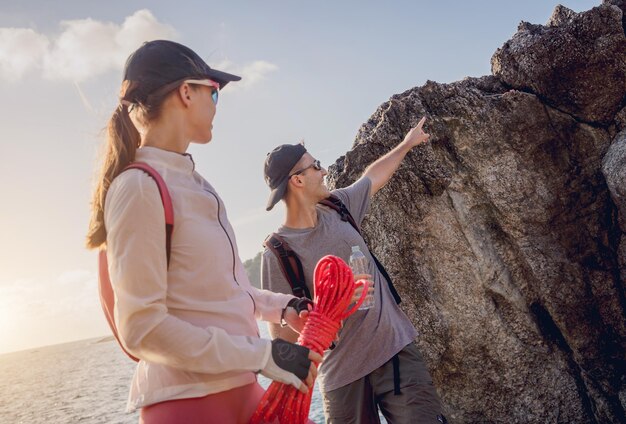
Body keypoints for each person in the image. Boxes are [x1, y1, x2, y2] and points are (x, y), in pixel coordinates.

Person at [85, 40, 321, 424]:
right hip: (189, 405)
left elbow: (228, 293)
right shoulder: (139, 187)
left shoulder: (198, 184)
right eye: (214, 92)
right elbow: (141, 329)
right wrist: (263, 356)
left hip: (240, 392)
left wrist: (285, 307)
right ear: (185, 92)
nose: (215, 104)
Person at [261, 117, 447, 423]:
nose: (323, 172)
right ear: (297, 180)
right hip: (341, 377)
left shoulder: (339, 206)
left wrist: (407, 142)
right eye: (315, 165)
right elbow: (281, 335)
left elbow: (373, 177)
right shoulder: (279, 253)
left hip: (395, 351)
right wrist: (331, 310)